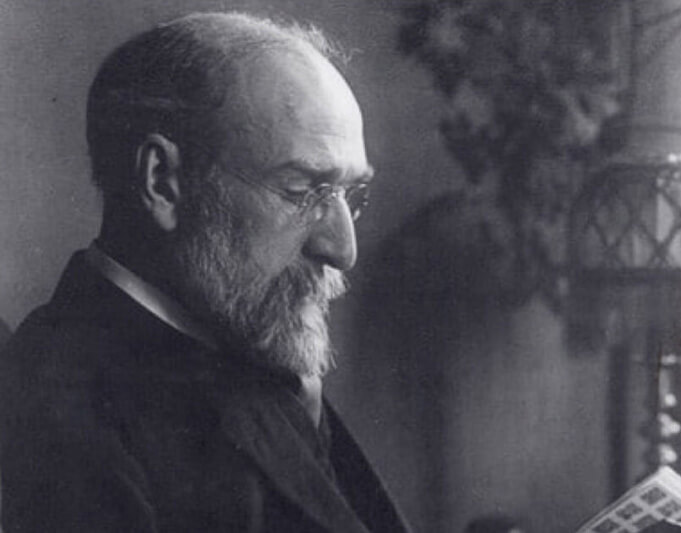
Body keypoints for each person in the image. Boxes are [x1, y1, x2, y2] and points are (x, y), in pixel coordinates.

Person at [0, 12, 408, 533]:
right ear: (163, 182)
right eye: (304, 191)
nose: (342, 249)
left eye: (351, 195)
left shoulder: (248, 346)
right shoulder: (60, 406)